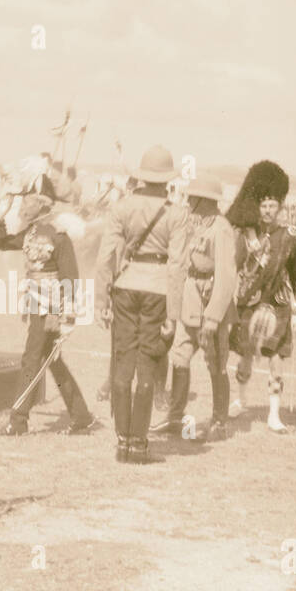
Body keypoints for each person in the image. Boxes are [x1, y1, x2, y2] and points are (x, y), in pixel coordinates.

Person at [94, 145, 188, 463]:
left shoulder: (122, 207)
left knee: (123, 361)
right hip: (158, 289)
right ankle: (138, 442)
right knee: (147, 364)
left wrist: (100, 299)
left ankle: (122, 441)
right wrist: (173, 315)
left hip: (124, 286)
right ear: (168, 179)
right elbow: (177, 267)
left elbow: (105, 255)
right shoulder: (177, 213)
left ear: (143, 176)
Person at [0, 187, 95, 436]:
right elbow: (2, 242)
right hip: (35, 304)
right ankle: (81, 416)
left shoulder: (59, 237)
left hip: (50, 309)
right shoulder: (31, 232)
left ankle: (18, 420)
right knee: (52, 361)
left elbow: (70, 277)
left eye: (29, 206)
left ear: (40, 209)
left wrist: (65, 317)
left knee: (31, 359)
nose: (24, 210)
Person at [227, 161, 296, 432]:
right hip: (250, 303)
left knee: (276, 361)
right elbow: (235, 267)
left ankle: (274, 414)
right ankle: (241, 399)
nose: (267, 210)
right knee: (245, 356)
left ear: (280, 207)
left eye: (272, 205)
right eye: (263, 205)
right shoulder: (245, 235)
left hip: (279, 306)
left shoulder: (291, 237)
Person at [161, 172, 236, 441]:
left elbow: (226, 277)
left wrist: (214, 317)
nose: (189, 200)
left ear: (204, 201)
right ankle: (174, 417)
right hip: (191, 297)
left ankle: (219, 422)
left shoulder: (222, 228)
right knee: (179, 355)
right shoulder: (194, 225)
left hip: (212, 300)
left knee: (216, 362)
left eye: (193, 197)